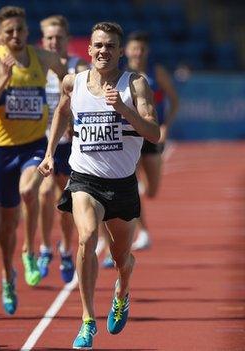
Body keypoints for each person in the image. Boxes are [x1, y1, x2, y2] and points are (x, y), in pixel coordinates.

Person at [38, 22, 160, 349]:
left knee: (122, 259)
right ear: (89, 50)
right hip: (84, 179)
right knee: (88, 237)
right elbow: (62, 114)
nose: (103, 51)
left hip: (122, 185)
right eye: (98, 45)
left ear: (120, 52)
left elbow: (153, 132)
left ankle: (122, 289)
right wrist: (50, 153)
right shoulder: (73, 82)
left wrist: (122, 108)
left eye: (110, 46)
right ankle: (87, 320)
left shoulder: (135, 85)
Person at [0, 6, 66, 315]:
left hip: (35, 146)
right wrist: (4, 80)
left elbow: (70, 83)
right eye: (9, 31)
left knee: (31, 192)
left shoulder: (42, 58)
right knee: (7, 225)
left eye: (20, 30)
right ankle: (7, 276)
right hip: (4, 150)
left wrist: (69, 113)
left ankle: (30, 250)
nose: (15, 35)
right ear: (0, 34)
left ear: (28, 33)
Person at [36, 15, 89, 283]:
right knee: (44, 194)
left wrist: (74, 124)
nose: (54, 42)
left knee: (66, 204)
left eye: (59, 38)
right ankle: (45, 248)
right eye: (49, 38)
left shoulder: (79, 68)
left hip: (70, 146)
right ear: (43, 40)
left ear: (68, 40)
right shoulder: (36, 68)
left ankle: (66, 249)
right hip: (42, 142)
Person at [125, 31, 179, 251]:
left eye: (142, 49)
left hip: (153, 134)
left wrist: (165, 126)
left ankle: (136, 189)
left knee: (152, 190)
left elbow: (174, 100)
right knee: (131, 183)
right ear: (126, 50)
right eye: (134, 48)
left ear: (147, 52)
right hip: (130, 135)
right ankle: (143, 232)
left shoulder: (156, 72)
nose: (138, 52)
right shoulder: (121, 75)